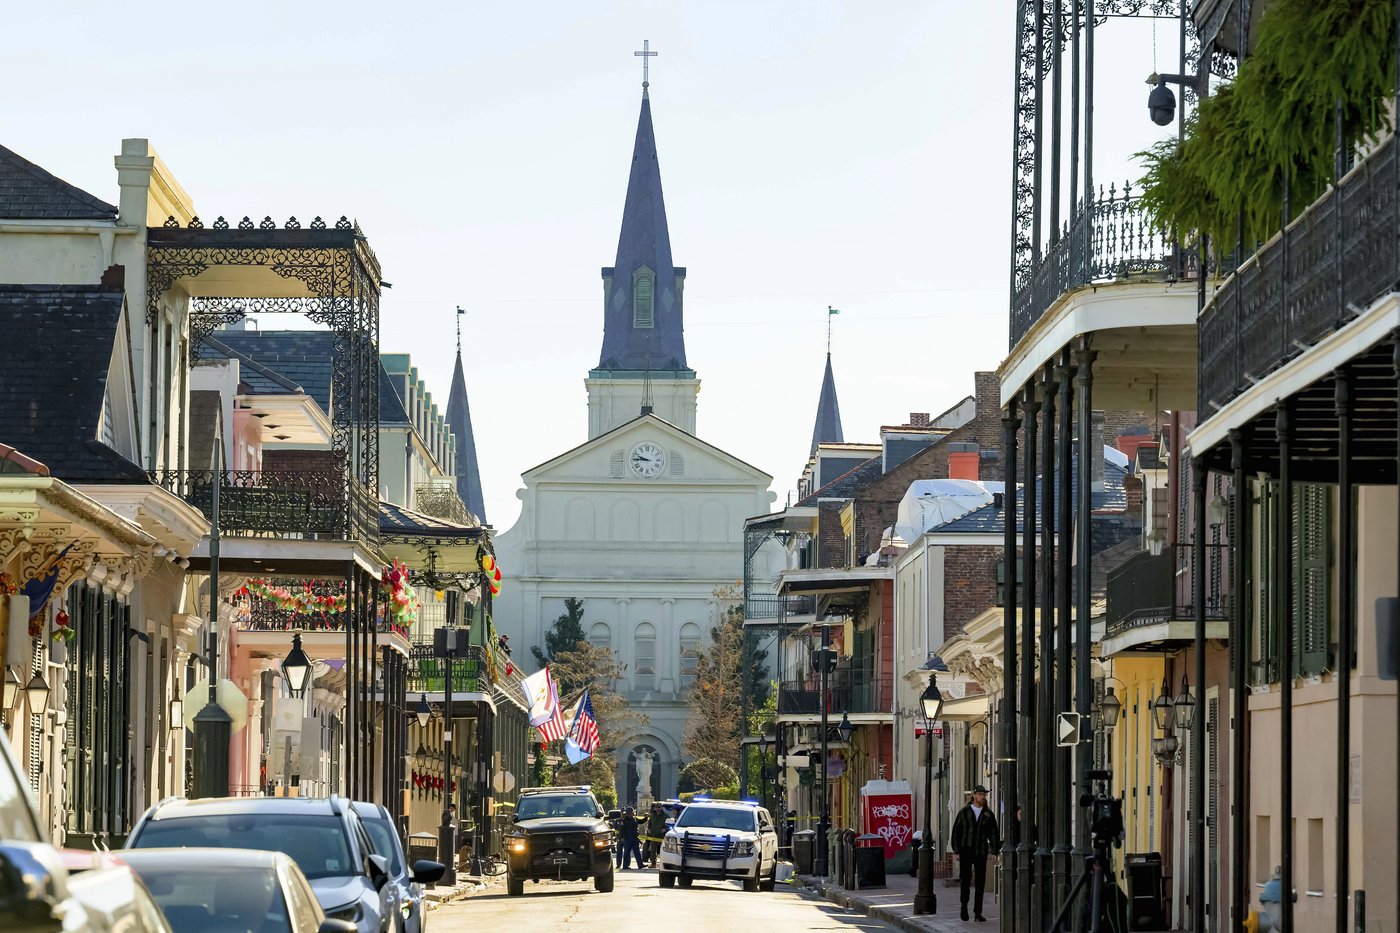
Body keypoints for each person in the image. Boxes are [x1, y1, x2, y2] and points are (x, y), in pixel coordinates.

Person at [950, 785, 1001, 922]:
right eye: (980, 795)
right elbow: (956, 832)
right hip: (966, 850)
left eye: (984, 795)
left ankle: (978, 912)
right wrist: (956, 850)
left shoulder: (988, 814)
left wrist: (995, 851)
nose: (983, 797)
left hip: (981, 851)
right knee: (965, 880)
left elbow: (994, 833)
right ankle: (964, 907)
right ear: (974, 796)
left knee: (980, 882)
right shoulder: (964, 812)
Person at [644, 803, 667, 868]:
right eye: (656, 807)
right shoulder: (652, 816)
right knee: (653, 851)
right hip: (653, 836)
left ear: (661, 808)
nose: (657, 808)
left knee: (663, 851)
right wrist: (649, 829)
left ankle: (663, 864)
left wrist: (665, 829)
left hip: (662, 837)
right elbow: (649, 823)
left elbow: (669, 825)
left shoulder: (666, 816)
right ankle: (653, 864)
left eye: (659, 807)